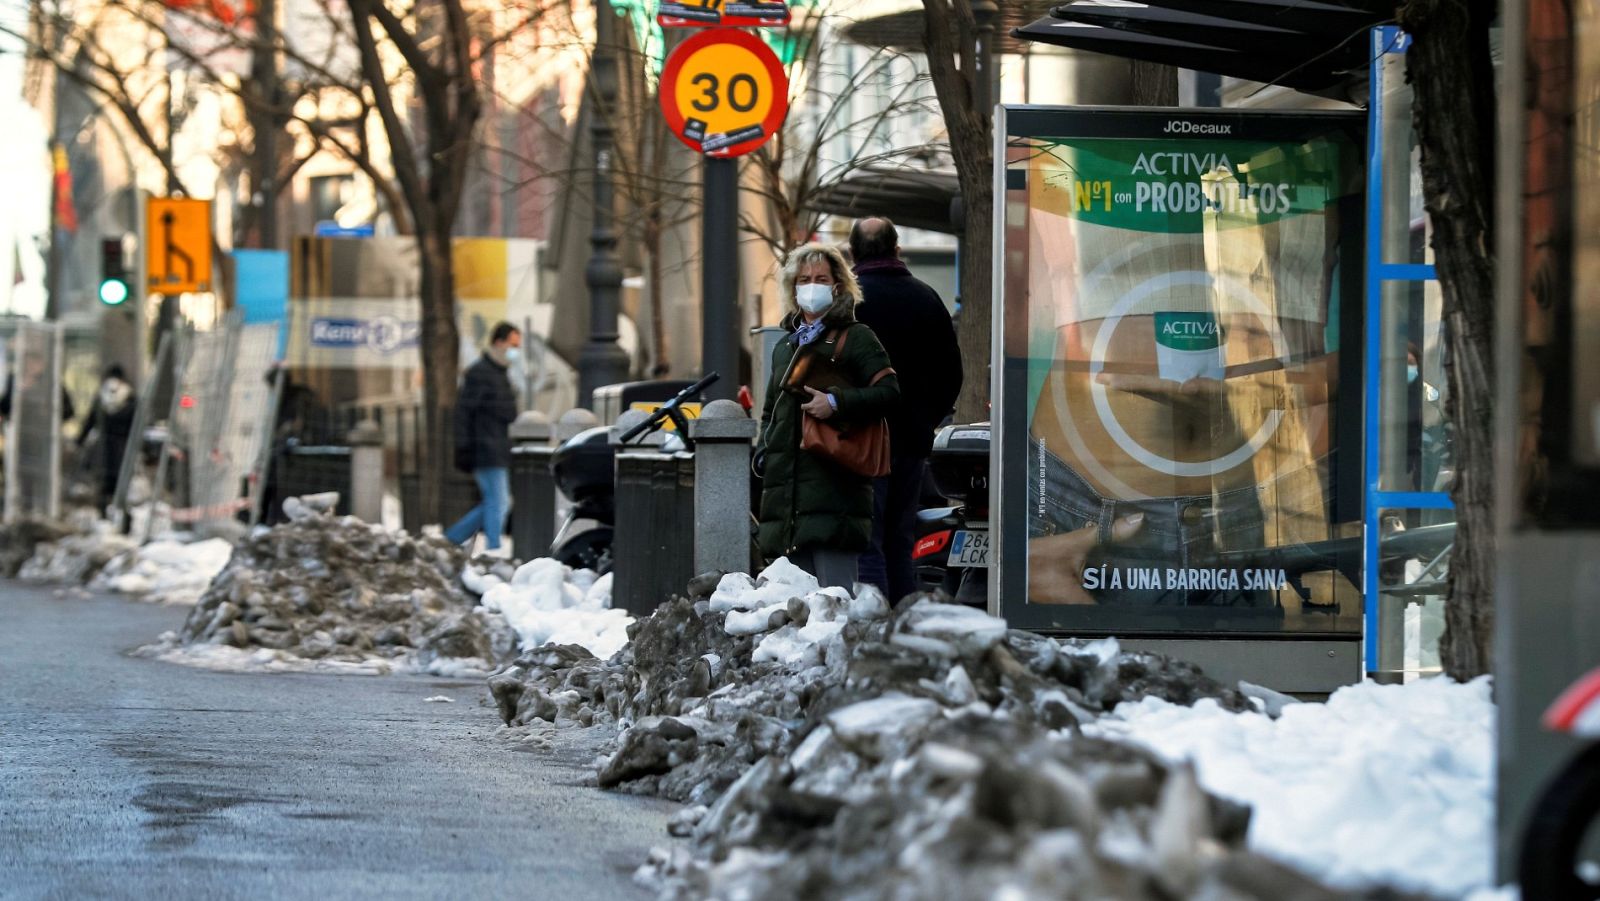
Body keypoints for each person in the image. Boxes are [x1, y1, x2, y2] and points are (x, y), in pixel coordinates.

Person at [756, 243, 900, 590]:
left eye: (820, 278)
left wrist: (834, 403)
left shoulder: (857, 338)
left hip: (835, 494)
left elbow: (889, 393)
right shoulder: (785, 347)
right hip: (787, 505)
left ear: (838, 285)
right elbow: (770, 411)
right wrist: (764, 449)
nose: (811, 286)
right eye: (803, 279)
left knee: (833, 607)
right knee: (790, 617)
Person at [848, 217, 963, 601]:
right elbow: (951, 373)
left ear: (852, 253)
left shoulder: (848, 303)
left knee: (868, 540)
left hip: (861, 441)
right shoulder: (926, 297)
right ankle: (902, 622)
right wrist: (925, 420)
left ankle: (874, 627)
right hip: (912, 442)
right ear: (897, 250)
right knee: (900, 539)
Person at [446, 322, 521, 553]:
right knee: (499, 502)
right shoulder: (482, 373)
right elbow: (464, 413)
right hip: (486, 449)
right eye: (513, 344)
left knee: (495, 502)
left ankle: (451, 539)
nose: (515, 350)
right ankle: (493, 549)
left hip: (494, 447)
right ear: (499, 342)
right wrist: (464, 446)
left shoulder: (497, 373)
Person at [77, 364, 136, 511]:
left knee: (105, 481)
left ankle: (106, 510)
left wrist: (80, 440)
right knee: (119, 480)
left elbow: (90, 421)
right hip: (122, 447)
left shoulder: (102, 398)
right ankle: (115, 510)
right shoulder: (131, 398)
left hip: (106, 447)